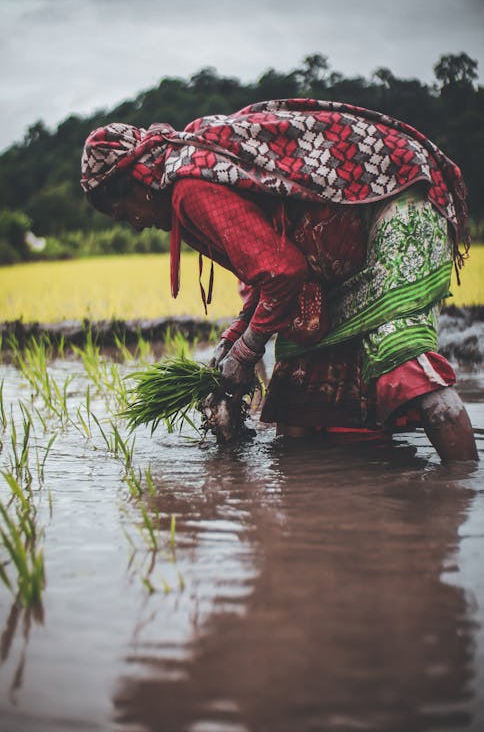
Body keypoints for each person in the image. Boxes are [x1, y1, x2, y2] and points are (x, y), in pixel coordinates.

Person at [80, 98, 477, 461]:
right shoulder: (189, 173)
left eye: (123, 211)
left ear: (137, 182)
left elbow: (283, 273)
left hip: (397, 209)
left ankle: (460, 493)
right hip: (340, 252)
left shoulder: (189, 187)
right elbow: (266, 273)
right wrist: (230, 344)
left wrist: (245, 354)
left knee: (402, 359)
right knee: (298, 401)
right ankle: (338, 509)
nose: (134, 224)